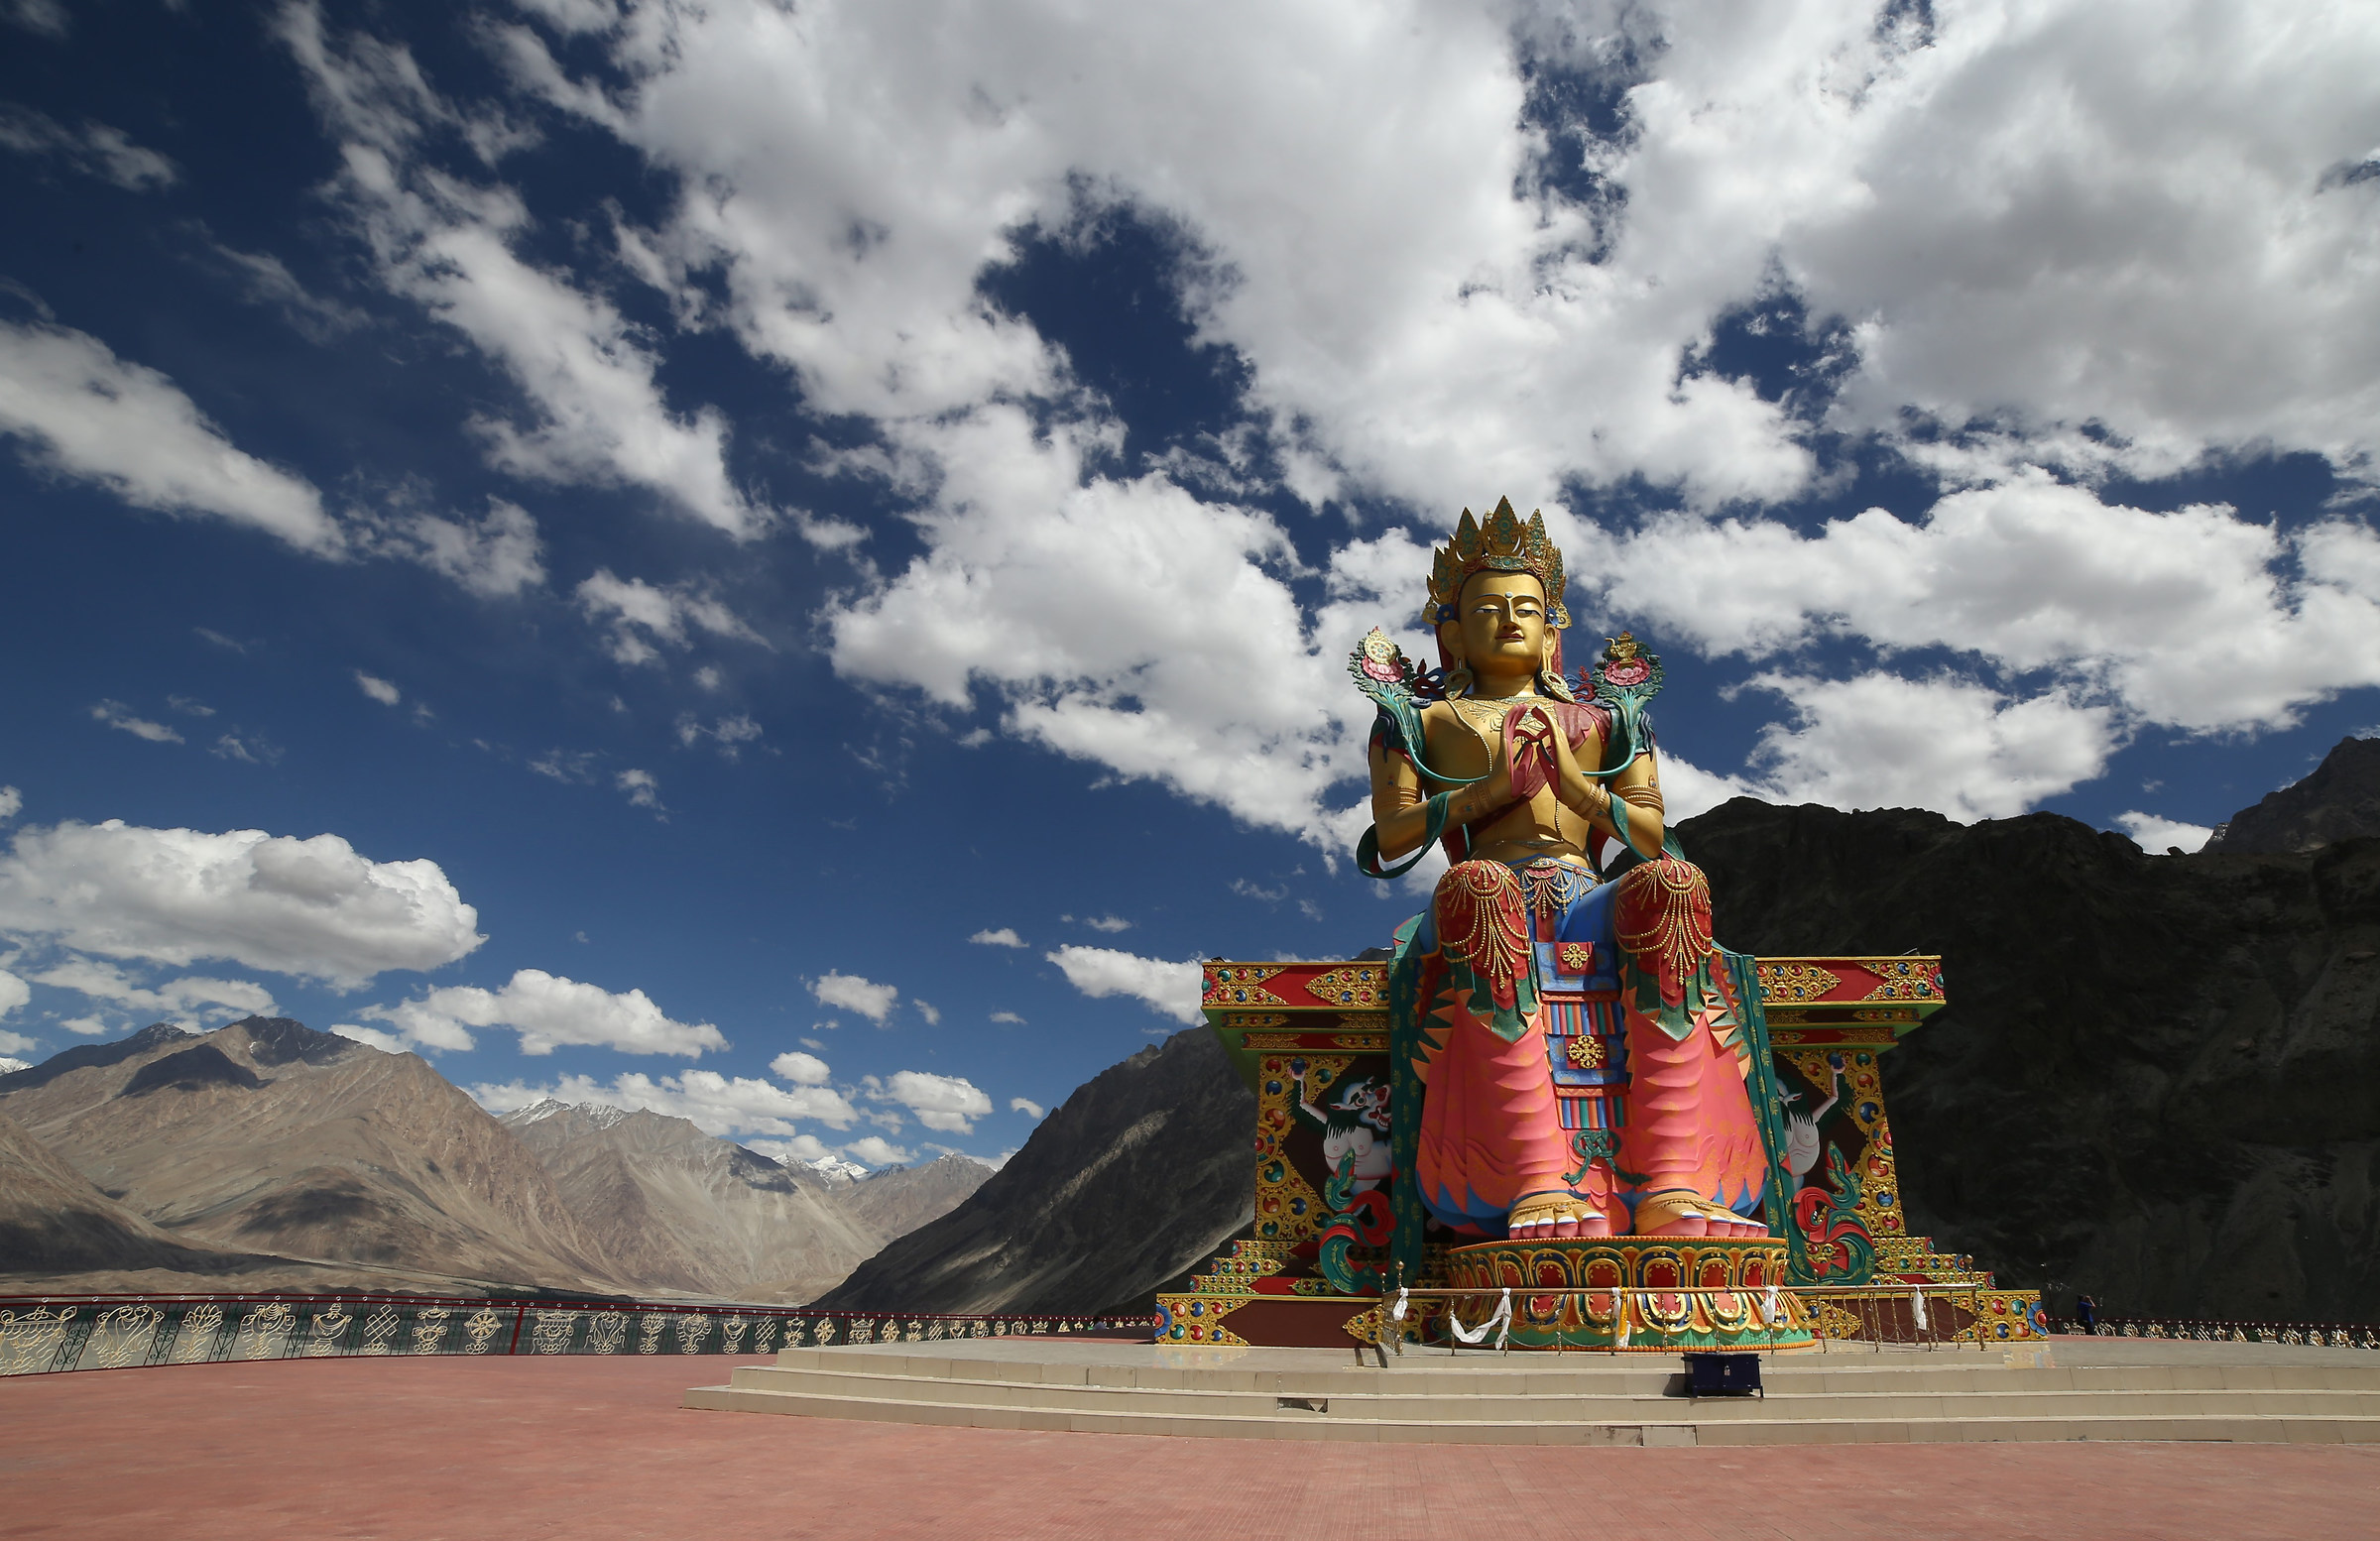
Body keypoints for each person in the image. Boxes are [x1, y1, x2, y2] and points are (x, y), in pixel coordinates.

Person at [1352, 500, 1771, 1247]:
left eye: (1526, 608)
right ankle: (1536, 1176)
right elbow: (1392, 838)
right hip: (1487, 890)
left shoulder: (1609, 720)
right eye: (1487, 608)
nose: (1509, 620)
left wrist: (1581, 792)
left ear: (1553, 630)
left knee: (1676, 883)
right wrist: (1488, 795)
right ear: (1451, 632)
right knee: (1480, 890)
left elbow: (1650, 837)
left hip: (1588, 895)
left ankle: (1672, 1178)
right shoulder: (1422, 722)